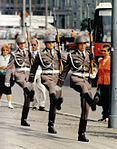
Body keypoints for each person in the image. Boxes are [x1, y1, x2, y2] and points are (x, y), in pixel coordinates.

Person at [57, 35, 98, 142]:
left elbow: (94, 66)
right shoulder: (72, 56)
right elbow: (65, 71)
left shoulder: (89, 55)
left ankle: (81, 134)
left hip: (86, 80)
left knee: (86, 109)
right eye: (81, 44)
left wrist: (94, 71)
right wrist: (59, 85)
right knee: (84, 88)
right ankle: (92, 102)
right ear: (77, 45)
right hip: (76, 79)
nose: (83, 46)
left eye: (85, 44)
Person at [28, 35, 66, 134]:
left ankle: (51, 123)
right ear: (45, 44)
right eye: (49, 43)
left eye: (53, 42)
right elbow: (34, 68)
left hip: (57, 78)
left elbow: (68, 63)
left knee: (55, 101)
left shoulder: (58, 53)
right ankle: (51, 124)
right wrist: (30, 81)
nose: (51, 44)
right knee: (52, 91)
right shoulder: (41, 54)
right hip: (46, 77)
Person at [5, 35, 34, 126]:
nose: (22, 45)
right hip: (19, 75)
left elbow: (33, 63)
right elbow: (9, 68)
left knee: (28, 98)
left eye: (24, 43)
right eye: (21, 44)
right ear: (18, 44)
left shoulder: (29, 52)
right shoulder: (14, 54)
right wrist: (7, 80)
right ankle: (29, 92)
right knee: (25, 85)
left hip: (28, 75)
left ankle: (24, 119)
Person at [31, 38, 47, 111]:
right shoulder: (29, 53)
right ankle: (35, 104)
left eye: (34, 45)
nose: (33, 46)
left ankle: (42, 105)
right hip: (33, 72)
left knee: (42, 89)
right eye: (32, 45)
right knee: (33, 89)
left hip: (40, 72)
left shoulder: (41, 53)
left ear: (38, 45)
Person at [97, 45, 111, 122]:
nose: (103, 52)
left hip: (108, 83)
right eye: (102, 51)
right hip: (101, 83)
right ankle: (104, 115)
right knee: (103, 100)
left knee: (108, 100)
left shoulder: (112, 61)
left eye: (105, 51)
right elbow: (99, 72)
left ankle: (108, 116)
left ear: (109, 52)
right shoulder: (101, 61)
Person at [0, 44, 14, 109]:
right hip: (1, 75)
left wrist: (6, 67)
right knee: (0, 90)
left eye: (6, 50)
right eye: (3, 50)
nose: (5, 51)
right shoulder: (0, 57)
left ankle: (9, 103)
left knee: (8, 89)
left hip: (8, 76)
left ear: (8, 51)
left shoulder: (10, 57)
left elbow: (13, 66)